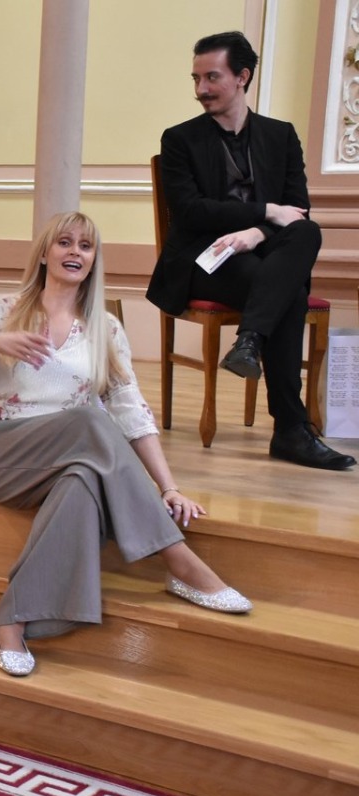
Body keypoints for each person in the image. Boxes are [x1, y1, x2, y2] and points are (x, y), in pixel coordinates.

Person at [0, 212, 252, 678]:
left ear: (93, 260)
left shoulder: (105, 329)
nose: (74, 252)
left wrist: (169, 487)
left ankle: (13, 620)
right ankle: (179, 561)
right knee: (89, 419)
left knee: (84, 478)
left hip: (68, 458)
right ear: (44, 254)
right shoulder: (1, 309)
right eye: (64, 242)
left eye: (85, 246)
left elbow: (130, 409)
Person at [147, 31, 355, 471]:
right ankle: (291, 430)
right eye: (196, 78)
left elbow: (297, 210)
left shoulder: (281, 136)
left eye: (212, 77)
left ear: (242, 77)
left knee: (307, 232)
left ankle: (249, 341)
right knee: (288, 294)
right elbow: (189, 212)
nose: (201, 88)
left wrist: (256, 233)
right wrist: (265, 212)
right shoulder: (179, 139)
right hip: (205, 258)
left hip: (263, 253)